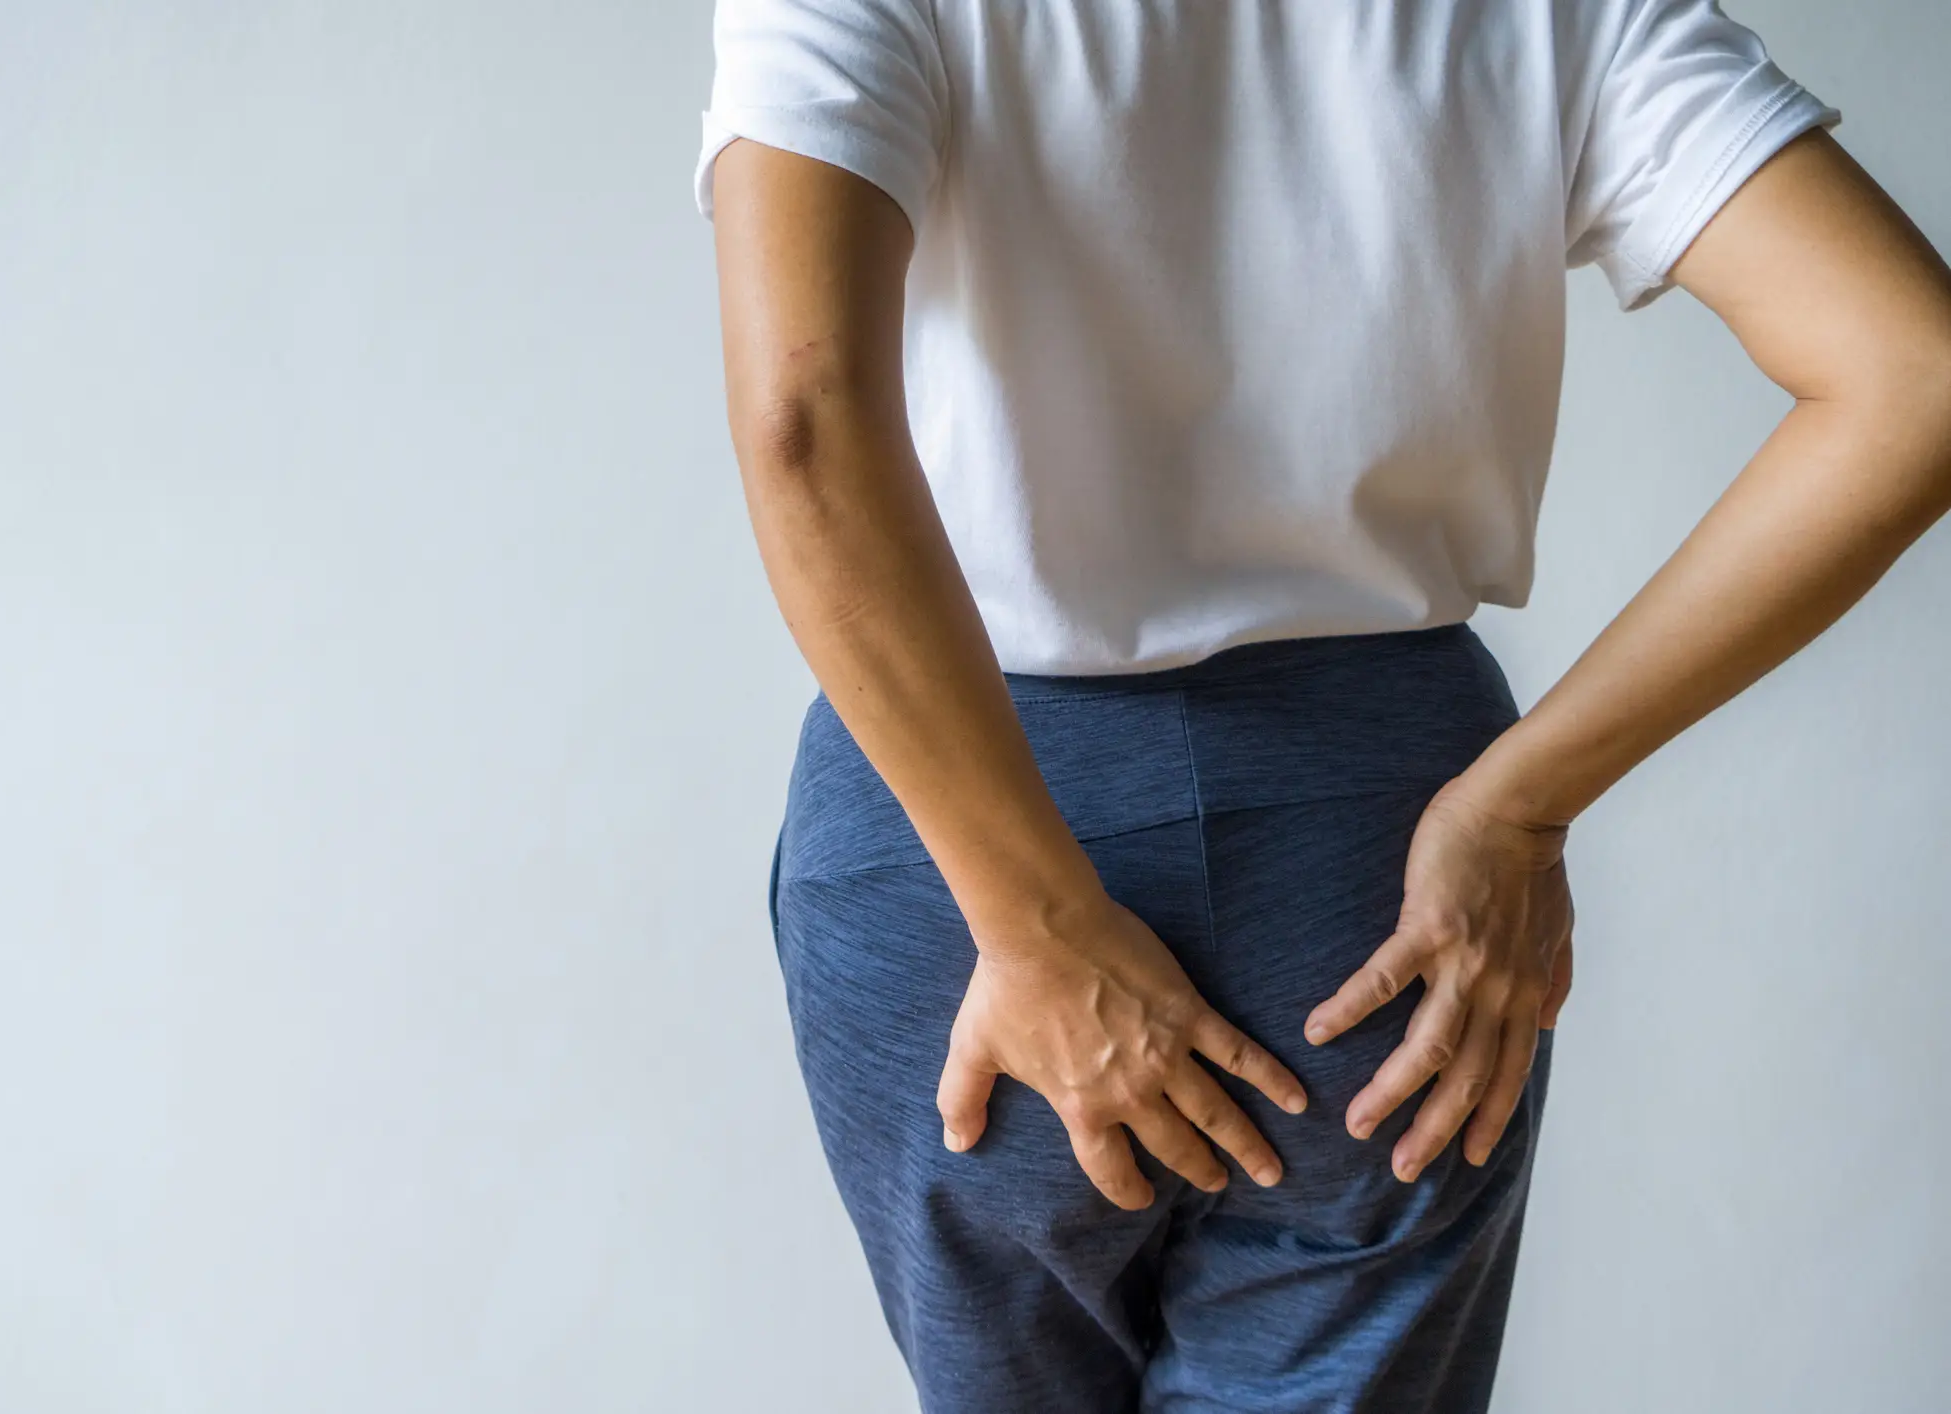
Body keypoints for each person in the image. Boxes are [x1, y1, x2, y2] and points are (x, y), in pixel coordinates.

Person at [693, 1, 1951, 1409]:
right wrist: (1518, 801)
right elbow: (1919, 376)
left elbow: (803, 416)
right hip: (1379, 859)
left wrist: (1033, 921)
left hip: (965, 837)